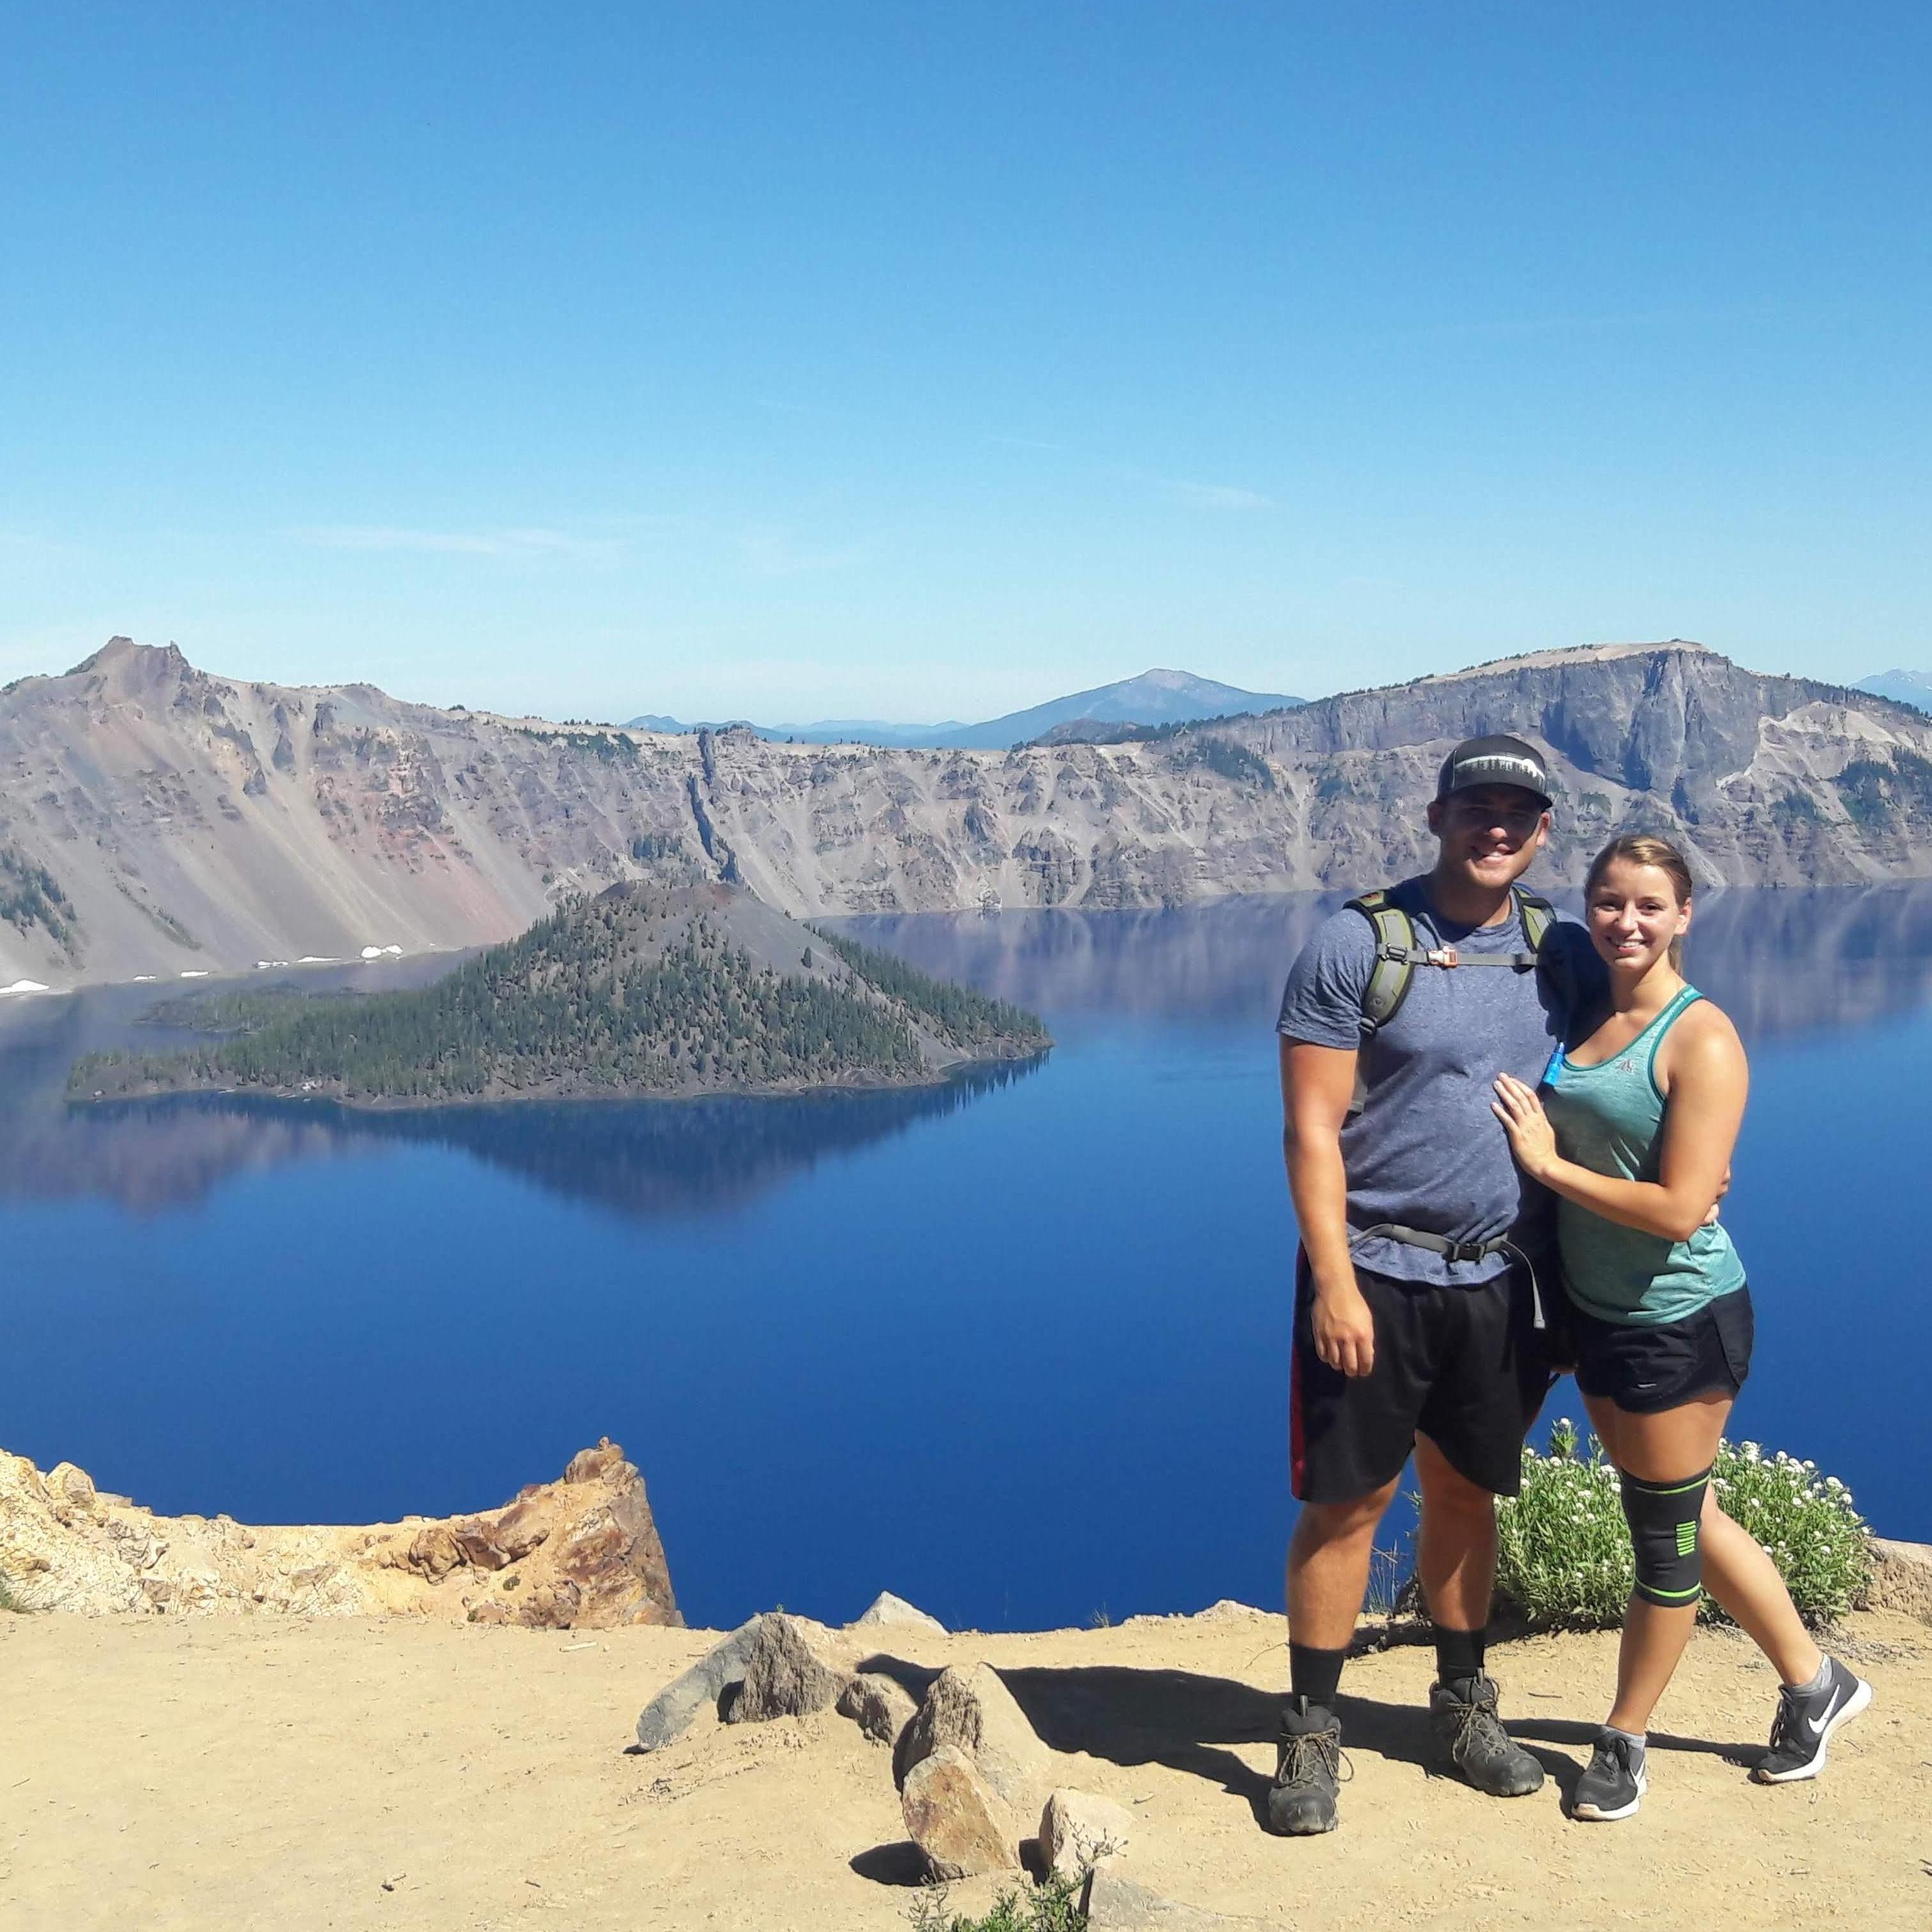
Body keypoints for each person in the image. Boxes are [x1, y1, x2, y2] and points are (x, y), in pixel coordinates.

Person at [1491, 832, 1872, 1821]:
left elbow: (1675, 1206)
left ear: (1684, 915)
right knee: (1681, 1512)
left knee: (1659, 1545)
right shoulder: (1584, 999)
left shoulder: (1700, 1037)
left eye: (1648, 906)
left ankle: (1623, 1737)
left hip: (1678, 1316)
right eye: (1608, 901)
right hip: (1598, 1311)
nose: (1625, 921)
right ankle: (1814, 1680)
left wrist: (1549, 1167)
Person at [1269, 734, 1594, 1835]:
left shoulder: (1563, 951)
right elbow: (1310, 1128)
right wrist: (1332, 1283)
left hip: (1501, 1278)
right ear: (1436, 815)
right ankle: (1312, 1729)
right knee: (1348, 1502)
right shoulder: (1358, 944)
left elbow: (1641, 1056)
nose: (1493, 826)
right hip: (1375, 1271)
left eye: (1516, 811)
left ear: (1541, 829)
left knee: (1463, 1493)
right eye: (1474, 807)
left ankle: (1462, 1706)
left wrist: (1699, 1149)